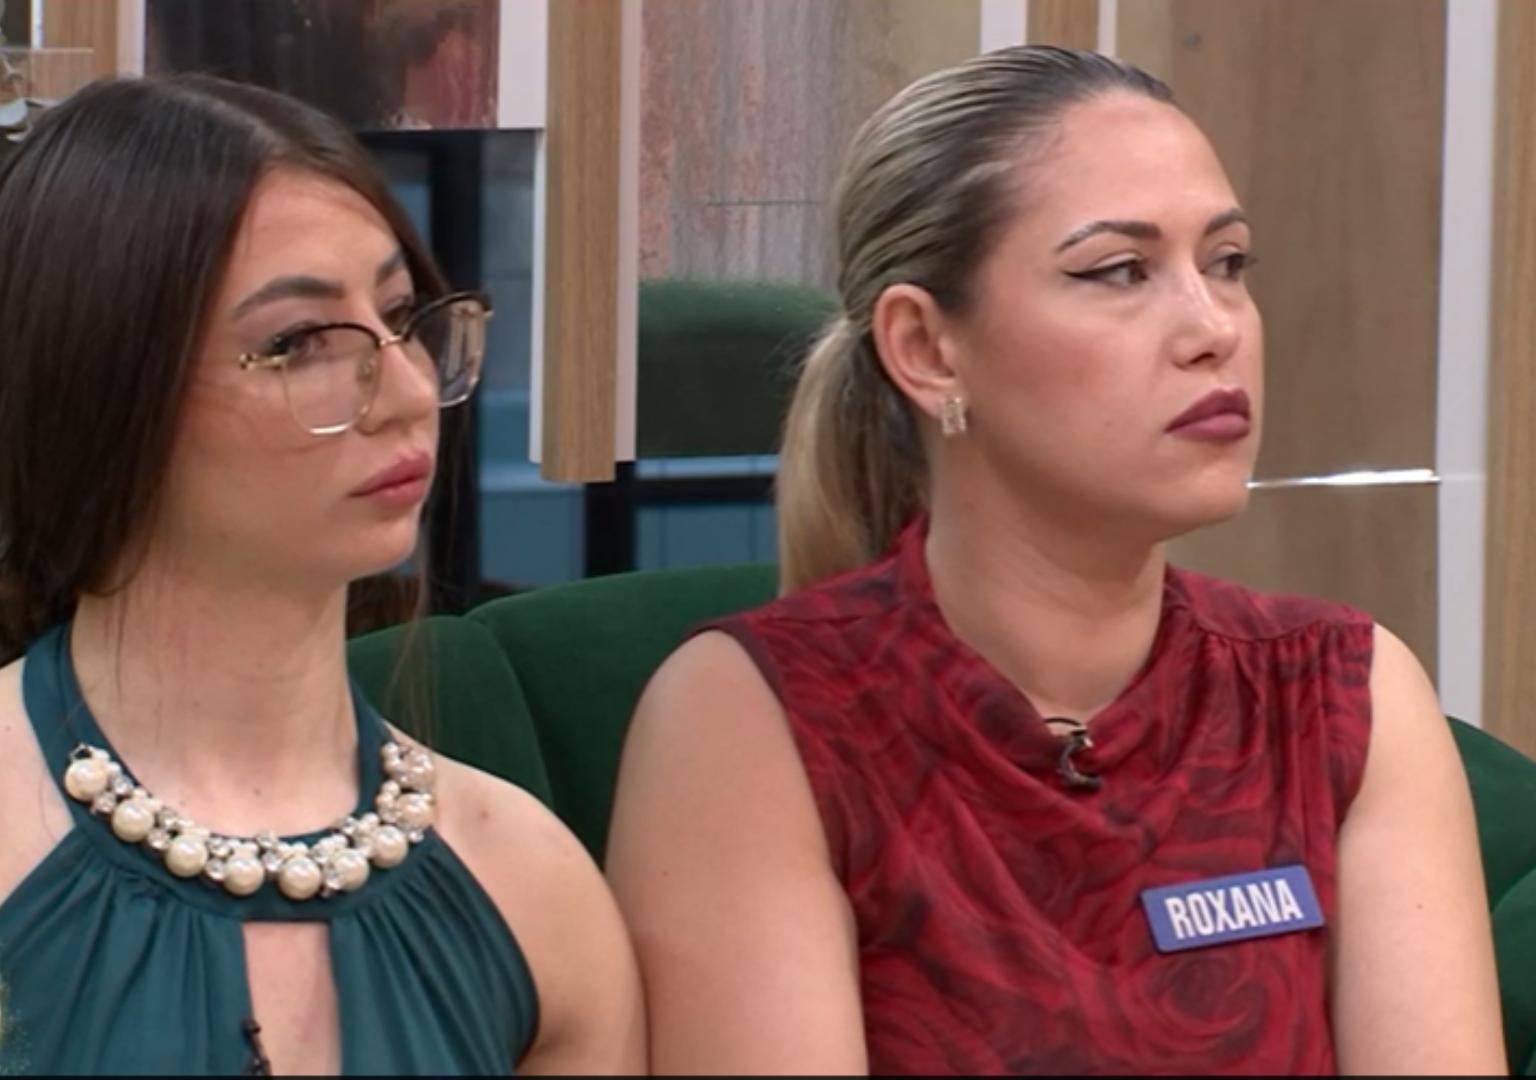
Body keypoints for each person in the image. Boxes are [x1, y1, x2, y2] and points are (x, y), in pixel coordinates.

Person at [606, 45, 1505, 1075]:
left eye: (1227, 263)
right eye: (1119, 271)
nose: (1214, 329)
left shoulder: (1340, 689)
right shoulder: (750, 718)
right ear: (927, 348)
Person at [0, 74, 643, 1075]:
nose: (409, 390)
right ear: (101, 386)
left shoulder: (531, 884)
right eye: (298, 342)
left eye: (401, 315)